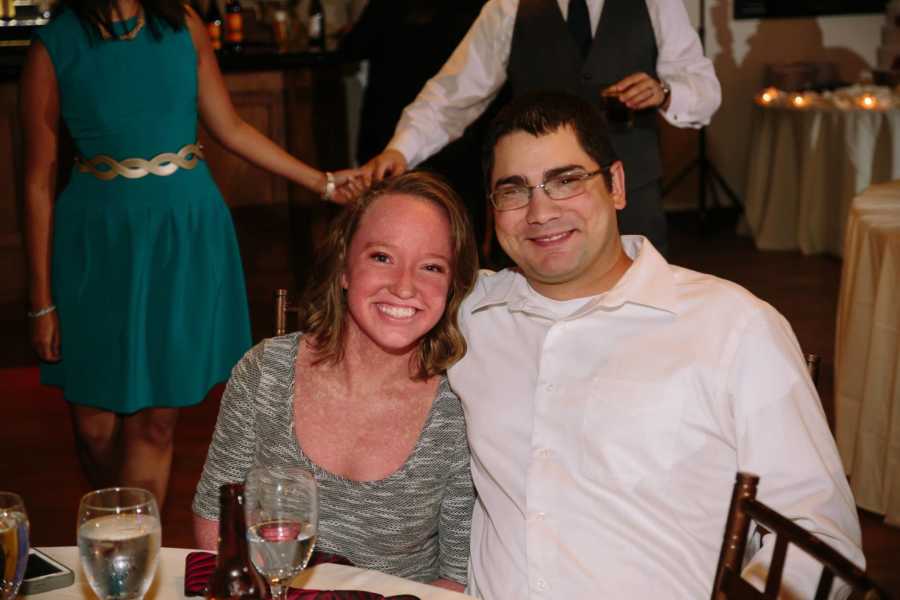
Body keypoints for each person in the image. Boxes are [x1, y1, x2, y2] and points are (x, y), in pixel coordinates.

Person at [448, 92, 863, 598]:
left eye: (566, 180)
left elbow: (821, 537)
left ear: (617, 185)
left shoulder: (731, 327)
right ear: (492, 209)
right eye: (514, 191)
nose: (541, 211)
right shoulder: (468, 316)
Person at [21, 0, 364, 508]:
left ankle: (131, 541)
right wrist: (41, 300)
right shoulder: (53, 47)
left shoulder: (182, 27)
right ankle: (112, 506)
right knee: (94, 426)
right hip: (97, 246)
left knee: (157, 422)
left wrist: (323, 182)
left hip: (181, 236)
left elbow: (232, 128)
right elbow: (36, 183)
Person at [192, 171, 478, 591]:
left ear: (452, 286)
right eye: (382, 257)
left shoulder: (460, 406)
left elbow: (455, 576)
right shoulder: (265, 372)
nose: (404, 286)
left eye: (432, 266)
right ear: (344, 268)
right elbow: (214, 529)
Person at [361, 0, 721, 256]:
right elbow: (454, 93)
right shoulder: (508, 6)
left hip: (633, 198)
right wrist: (401, 149)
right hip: (538, 200)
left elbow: (705, 90)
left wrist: (664, 92)